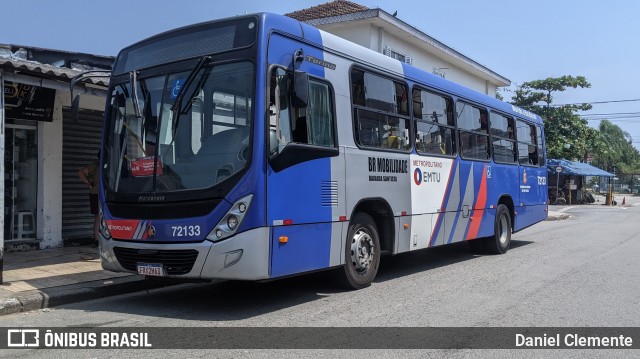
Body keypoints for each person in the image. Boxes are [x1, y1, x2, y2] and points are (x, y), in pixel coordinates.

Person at [78, 152, 100, 245]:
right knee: (98, 217)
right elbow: (81, 172)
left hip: (108, 194)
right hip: (96, 194)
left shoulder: (114, 165)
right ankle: (97, 240)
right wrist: (88, 183)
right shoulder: (95, 166)